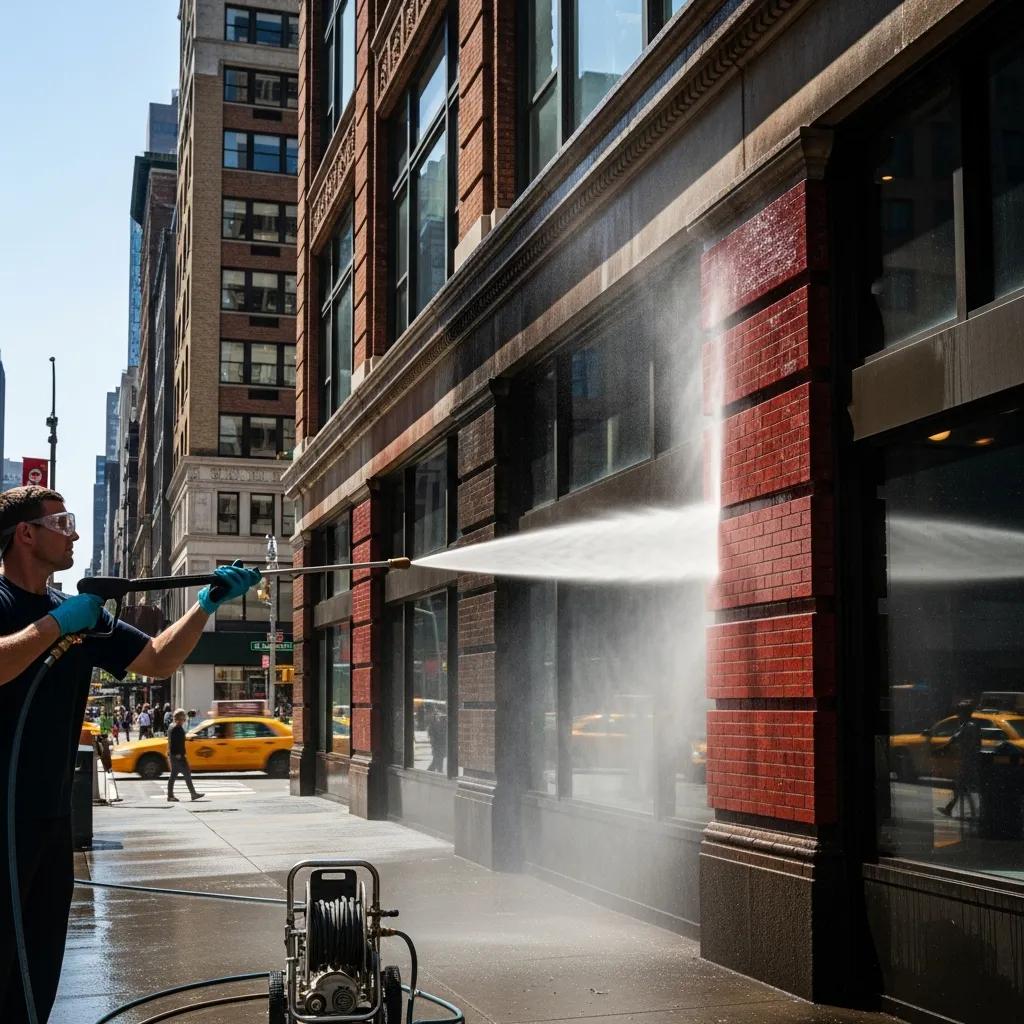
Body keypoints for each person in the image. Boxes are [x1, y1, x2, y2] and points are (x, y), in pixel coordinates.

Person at [0, 485, 262, 1021]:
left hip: (50, 817)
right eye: (62, 522)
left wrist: (205, 606)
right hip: (3, 815)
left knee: (42, 958)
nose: (73, 532)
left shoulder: (78, 613)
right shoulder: (22, 608)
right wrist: (57, 627)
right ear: (25, 535)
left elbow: (157, 660)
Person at [938, 700, 983, 819]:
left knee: (963, 785)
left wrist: (942, 748)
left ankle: (977, 812)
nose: (958, 716)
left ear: (965, 713)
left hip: (969, 761)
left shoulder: (967, 726)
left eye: (960, 713)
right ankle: (951, 807)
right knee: (963, 785)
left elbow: (955, 738)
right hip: (971, 761)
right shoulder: (972, 725)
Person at [166, 709, 203, 803]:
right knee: (185, 773)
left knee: (175, 775)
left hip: (174, 755)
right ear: (180, 718)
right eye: (183, 717)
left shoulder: (172, 726)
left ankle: (172, 795)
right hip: (178, 755)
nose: (185, 719)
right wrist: (178, 754)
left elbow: (173, 740)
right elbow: (174, 743)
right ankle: (192, 794)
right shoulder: (176, 728)